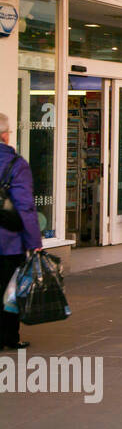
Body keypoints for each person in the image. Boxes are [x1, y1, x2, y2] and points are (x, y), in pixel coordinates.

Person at [0, 112, 42, 351]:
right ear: (5, 135)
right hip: (8, 240)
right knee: (9, 290)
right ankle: (8, 336)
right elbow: (24, 206)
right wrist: (34, 241)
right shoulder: (16, 164)